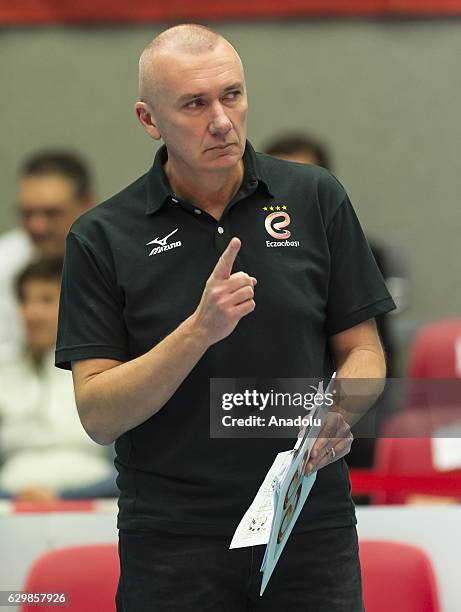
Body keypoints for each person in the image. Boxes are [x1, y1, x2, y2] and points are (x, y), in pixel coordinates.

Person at [55, 24, 395, 611]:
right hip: (172, 538)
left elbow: (364, 353)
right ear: (148, 119)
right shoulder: (102, 237)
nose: (221, 120)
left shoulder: (314, 197)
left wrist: (338, 411)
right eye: (194, 103)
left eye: (231, 95)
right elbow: (99, 414)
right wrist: (197, 332)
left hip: (308, 522)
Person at [0, 258, 115, 501]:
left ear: (76, 305)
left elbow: (129, 465)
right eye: (24, 300)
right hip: (8, 509)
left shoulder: (107, 371)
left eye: (46, 300)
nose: (32, 313)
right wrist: (14, 496)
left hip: (96, 509)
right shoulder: (5, 376)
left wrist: (63, 495)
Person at [0, 151, 94, 363]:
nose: (37, 226)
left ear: (88, 206)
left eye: (51, 213)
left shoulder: (120, 260)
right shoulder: (3, 264)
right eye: (27, 214)